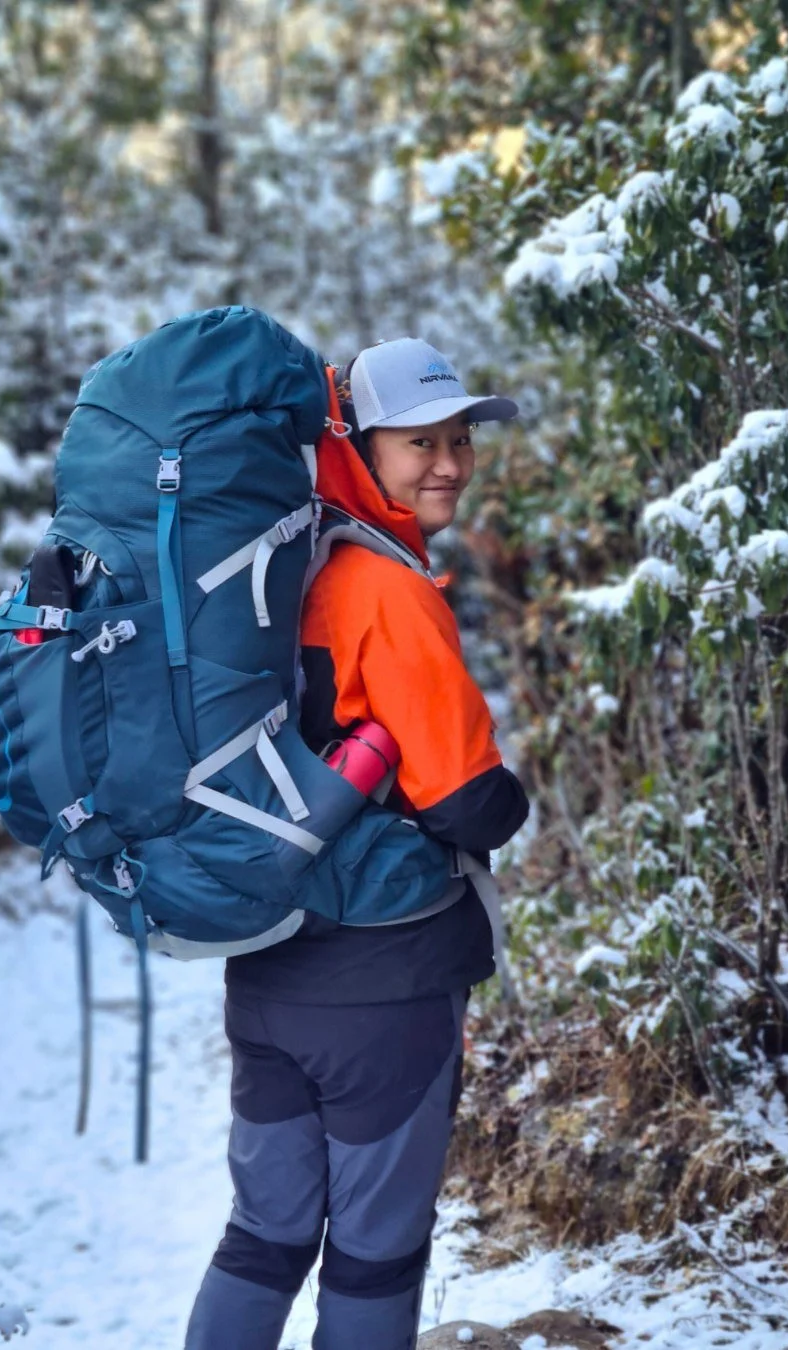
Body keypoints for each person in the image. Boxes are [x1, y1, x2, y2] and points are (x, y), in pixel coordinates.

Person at [184, 337, 530, 1350]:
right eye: (420, 442)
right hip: (386, 982)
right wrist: (507, 795)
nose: (451, 464)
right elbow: (469, 800)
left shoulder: (280, 574)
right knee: (378, 1251)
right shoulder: (385, 590)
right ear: (353, 445)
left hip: (269, 965)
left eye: (461, 438)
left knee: (265, 1233)